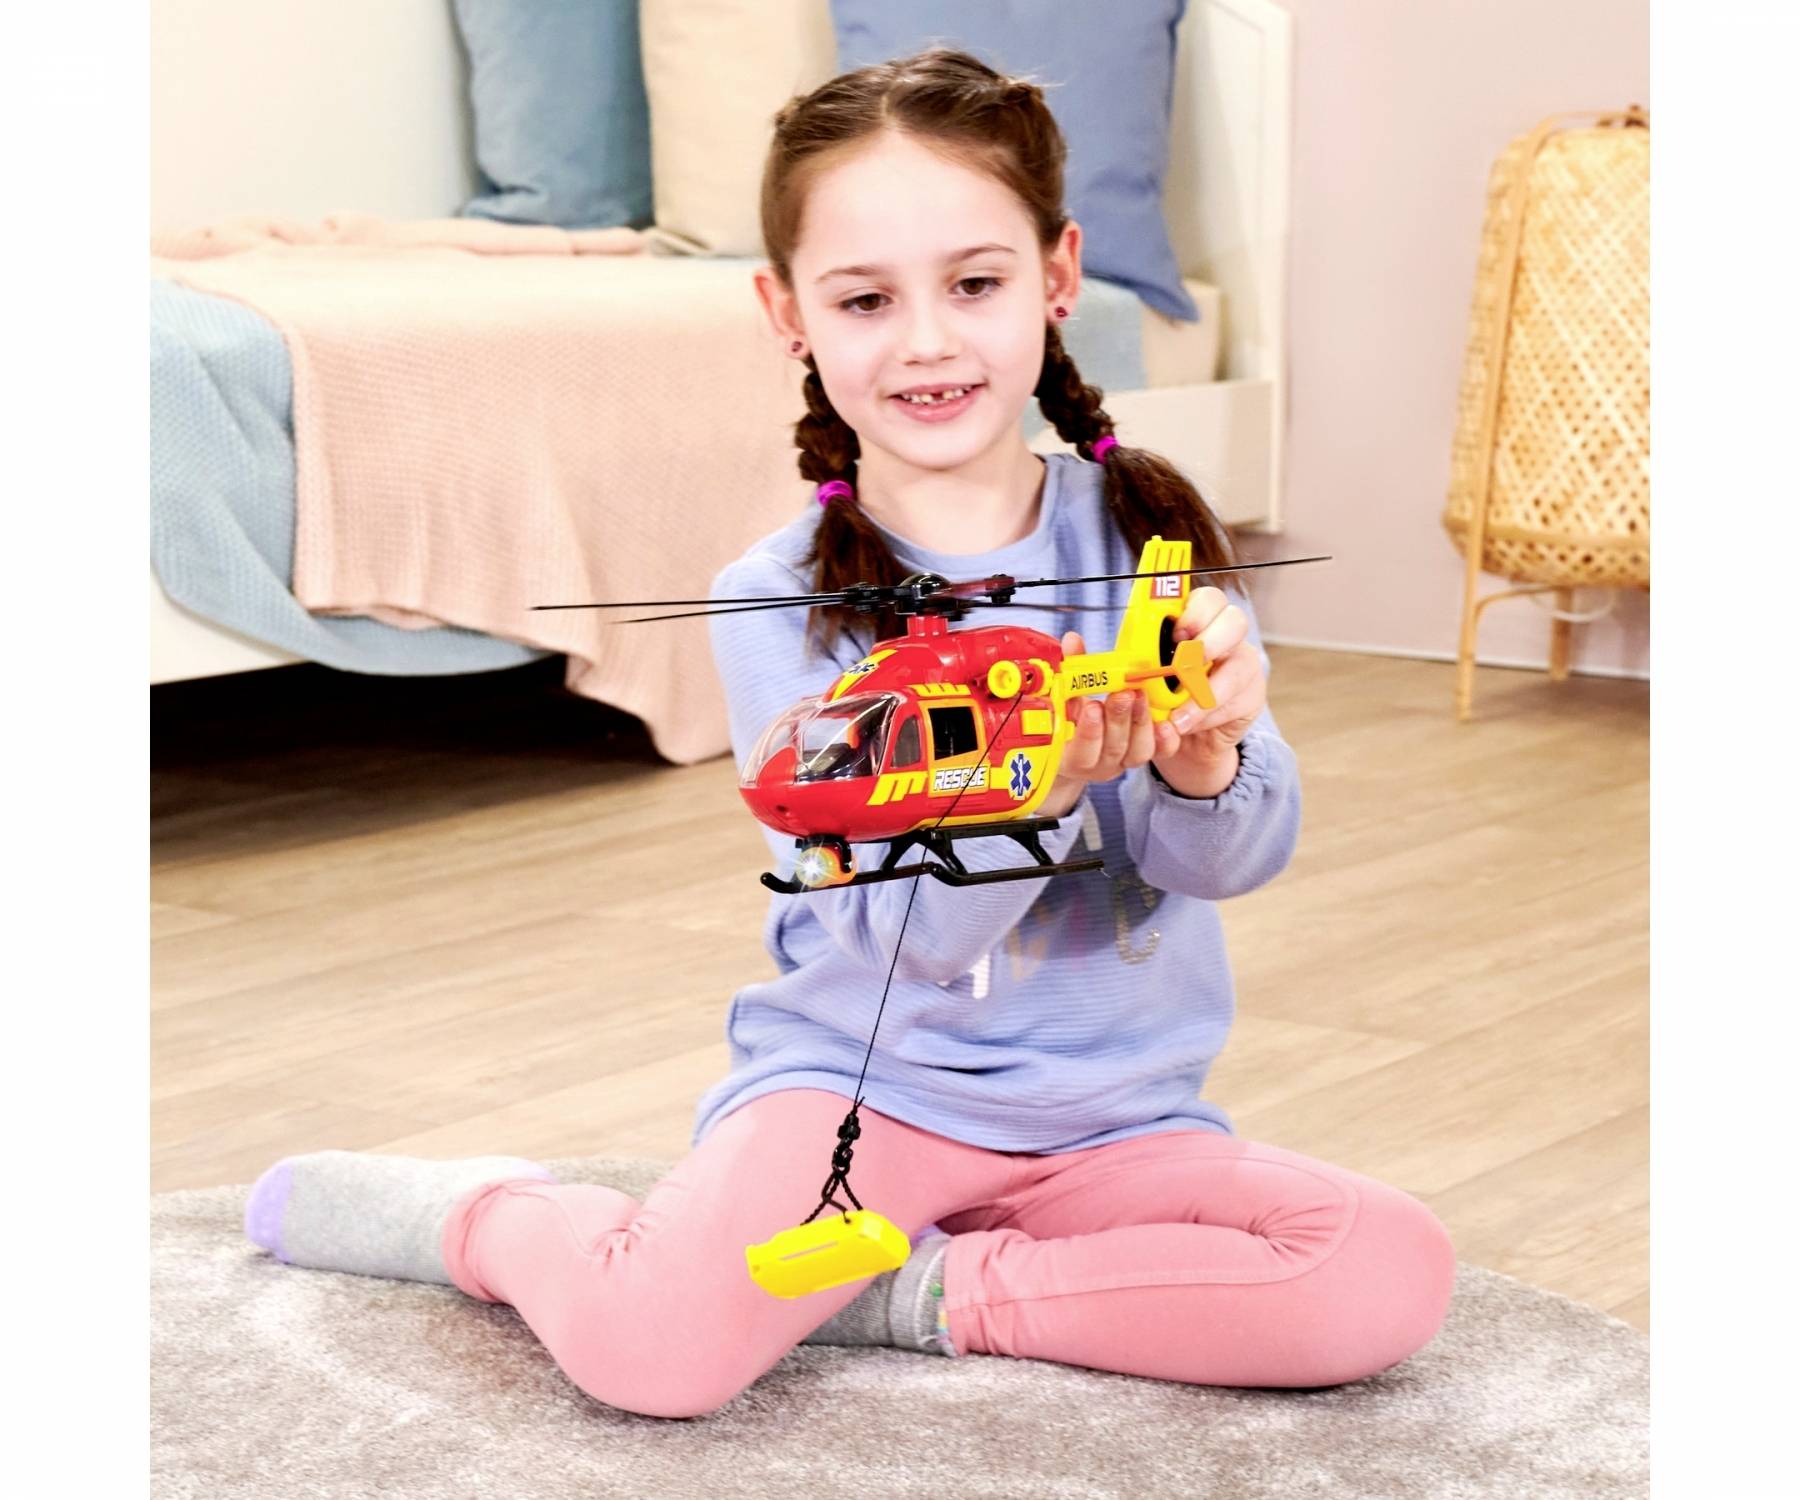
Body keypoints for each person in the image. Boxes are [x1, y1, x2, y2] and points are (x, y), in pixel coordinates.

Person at [241, 48, 1456, 1422]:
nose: (927, 340)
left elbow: (1237, 859)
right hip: (869, 1106)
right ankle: (499, 1219)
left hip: (1121, 1118)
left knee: (1380, 1272)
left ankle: (907, 1295)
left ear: (1058, 279)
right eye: (867, 299)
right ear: (787, 312)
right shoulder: (780, 605)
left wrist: (1206, 760)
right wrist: (1037, 784)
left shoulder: (1150, 546)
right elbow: (897, 944)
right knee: (653, 1357)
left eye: (976, 285)